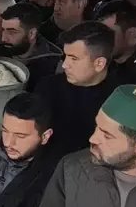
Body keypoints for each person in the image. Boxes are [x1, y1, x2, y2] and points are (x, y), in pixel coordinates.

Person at [34, 21, 119, 155]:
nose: (65, 65)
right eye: (65, 56)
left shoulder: (119, 102)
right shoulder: (48, 87)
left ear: (99, 63)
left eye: (74, 58)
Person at [0, 2, 61, 89]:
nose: (4, 38)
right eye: (3, 30)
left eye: (12, 32)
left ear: (32, 34)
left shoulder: (53, 67)